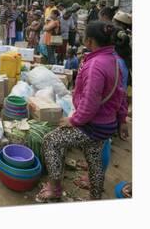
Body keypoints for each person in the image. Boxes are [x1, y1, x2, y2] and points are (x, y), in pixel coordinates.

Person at [36, 21, 128, 202]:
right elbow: (120, 94)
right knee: (94, 160)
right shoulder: (114, 60)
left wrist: (74, 120)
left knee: (51, 141)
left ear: (90, 41)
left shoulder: (96, 65)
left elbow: (90, 103)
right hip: (106, 124)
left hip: (92, 125)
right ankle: (95, 197)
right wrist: (122, 118)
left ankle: (54, 189)